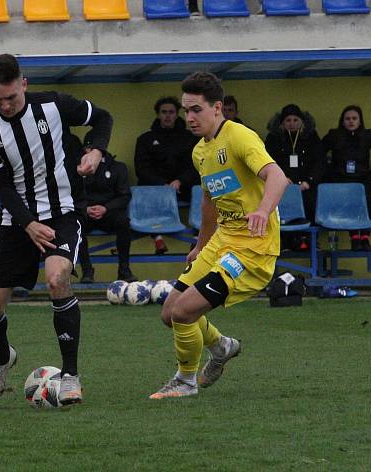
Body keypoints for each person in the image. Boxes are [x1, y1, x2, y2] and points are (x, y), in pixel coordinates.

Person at [0, 54, 113, 405]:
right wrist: (28, 224)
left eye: (11, 98)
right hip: (17, 219)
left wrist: (95, 151)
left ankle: (70, 376)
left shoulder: (54, 104)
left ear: (24, 84)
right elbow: (2, 186)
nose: (5, 105)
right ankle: (4, 357)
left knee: (57, 279)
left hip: (64, 211)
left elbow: (103, 119)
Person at [149, 72, 288, 400]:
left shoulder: (239, 137)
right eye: (186, 111)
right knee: (170, 314)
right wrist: (201, 244)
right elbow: (210, 198)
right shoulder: (200, 151)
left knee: (185, 313)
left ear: (217, 108)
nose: (190, 117)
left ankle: (185, 381)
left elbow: (278, 176)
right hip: (222, 241)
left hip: (252, 249)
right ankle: (222, 346)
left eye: (196, 109)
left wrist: (262, 210)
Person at [133, 96, 199, 254]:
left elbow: (196, 166)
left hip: (183, 188)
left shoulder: (191, 138)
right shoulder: (145, 139)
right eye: (164, 112)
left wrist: (180, 181)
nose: (167, 116)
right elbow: (141, 168)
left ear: (177, 114)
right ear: (158, 114)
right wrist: (162, 184)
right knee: (142, 189)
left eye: (171, 112)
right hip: (157, 189)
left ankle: (197, 239)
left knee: (203, 190)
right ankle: (157, 238)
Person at [321, 105, 371, 251]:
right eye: (347, 119)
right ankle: (354, 238)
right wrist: (330, 173)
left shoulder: (368, 135)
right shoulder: (334, 135)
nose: (351, 122)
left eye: (354, 119)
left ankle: (365, 237)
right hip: (341, 180)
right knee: (349, 202)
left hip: (363, 178)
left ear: (360, 121)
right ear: (342, 121)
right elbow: (319, 152)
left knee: (366, 201)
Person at [264, 104, 325, 251]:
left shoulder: (312, 137)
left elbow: (320, 162)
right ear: (282, 123)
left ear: (302, 122)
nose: (292, 124)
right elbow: (267, 161)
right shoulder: (273, 139)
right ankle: (284, 240)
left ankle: (307, 240)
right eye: (288, 120)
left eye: (295, 120)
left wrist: (309, 181)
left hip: (306, 184)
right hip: (282, 184)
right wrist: (282, 180)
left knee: (312, 200)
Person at [77, 144, 136, 283]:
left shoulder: (118, 168)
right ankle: (87, 271)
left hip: (109, 213)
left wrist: (106, 208)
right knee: (74, 224)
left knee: (123, 222)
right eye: (86, 149)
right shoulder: (76, 169)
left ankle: (124, 269)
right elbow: (69, 196)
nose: (88, 153)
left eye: (92, 149)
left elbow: (124, 196)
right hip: (86, 213)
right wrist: (85, 208)